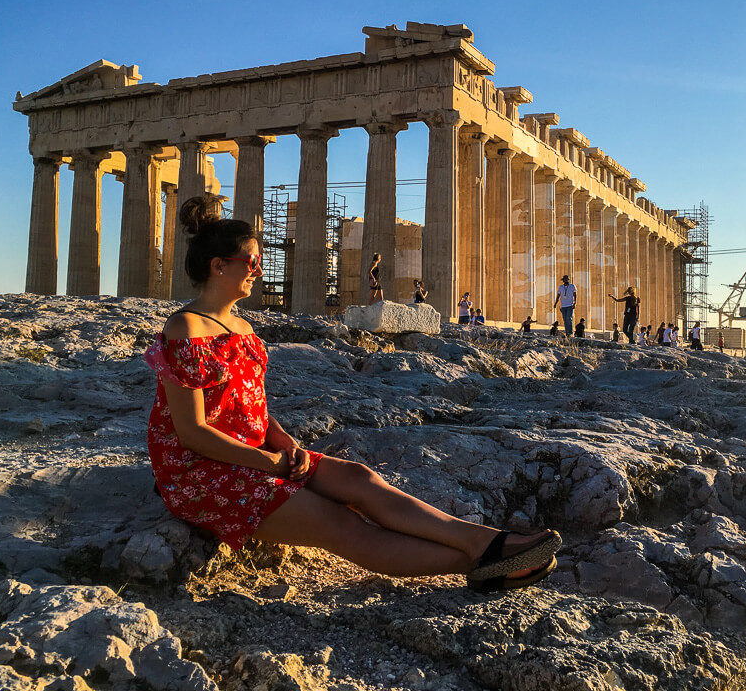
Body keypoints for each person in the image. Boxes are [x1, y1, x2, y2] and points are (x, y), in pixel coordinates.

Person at [142, 198, 561, 592]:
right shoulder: (185, 330)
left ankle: (486, 541)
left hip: (258, 455)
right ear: (219, 265)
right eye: (251, 261)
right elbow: (193, 432)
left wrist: (284, 442)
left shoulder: (244, 330)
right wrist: (267, 461)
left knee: (361, 479)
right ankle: (479, 564)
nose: (258, 269)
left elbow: (249, 408)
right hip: (201, 473)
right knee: (341, 525)